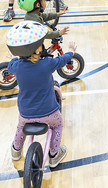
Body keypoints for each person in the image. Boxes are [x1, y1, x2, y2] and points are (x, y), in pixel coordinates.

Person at [6, 21, 76, 167]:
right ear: (37, 49)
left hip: (26, 113)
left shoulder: (16, 66)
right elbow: (63, 59)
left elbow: (10, 64)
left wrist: (13, 56)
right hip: (48, 112)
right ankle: (54, 155)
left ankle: (16, 150)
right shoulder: (47, 64)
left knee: (21, 127)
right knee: (58, 125)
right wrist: (71, 51)